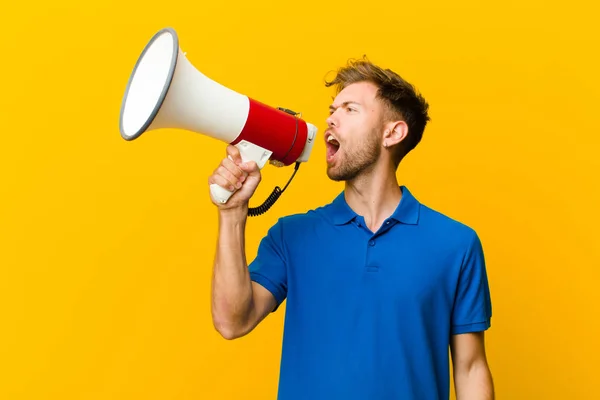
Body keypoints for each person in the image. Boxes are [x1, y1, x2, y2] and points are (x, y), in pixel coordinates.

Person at [208, 57, 494, 400]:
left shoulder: (456, 244)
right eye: (332, 109)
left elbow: (471, 367)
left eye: (350, 109)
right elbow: (232, 321)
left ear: (393, 132)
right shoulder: (291, 236)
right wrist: (232, 212)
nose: (330, 118)